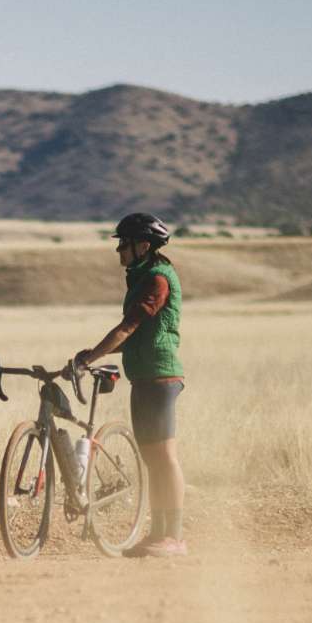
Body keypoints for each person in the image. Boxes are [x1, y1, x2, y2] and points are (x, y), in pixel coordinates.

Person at [71, 212, 188, 557]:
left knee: (165, 458)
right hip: (143, 375)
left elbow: (128, 327)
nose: (119, 250)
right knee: (153, 460)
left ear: (143, 246)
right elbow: (135, 336)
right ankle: (158, 534)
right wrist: (93, 353)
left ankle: (176, 537)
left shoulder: (157, 280)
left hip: (161, 376)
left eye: (124, 243)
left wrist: (90, 357)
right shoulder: (141, 278)